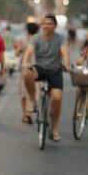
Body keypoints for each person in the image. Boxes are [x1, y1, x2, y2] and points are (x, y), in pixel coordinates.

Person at [22, 13, 71, 141]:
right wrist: (26, 62)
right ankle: (32, 100)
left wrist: (66, 63)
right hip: (40, 69)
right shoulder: (36, 37)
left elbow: (65, 52)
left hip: (55, 70)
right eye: (44, 23)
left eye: (49, 24)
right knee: (27, 74)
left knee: (57, 98)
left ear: (55, 26)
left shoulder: (60, 38)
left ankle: (54, 129)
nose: (46, 26)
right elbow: (29, 51)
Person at [18, 20, 40, 123]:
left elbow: (17, 53)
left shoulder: (24, 41)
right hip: (36, 69)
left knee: (24, 93)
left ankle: (24, 114)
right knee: (34, 91)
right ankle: (29, 112)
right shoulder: (40, 41)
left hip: (25, 69)